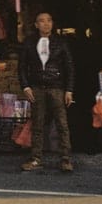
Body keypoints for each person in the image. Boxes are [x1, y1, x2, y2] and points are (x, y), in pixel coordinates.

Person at [18, 12, 75, 173]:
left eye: (49, 20)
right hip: (37, 86)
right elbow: (22, 66)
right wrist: (25, 86)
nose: (46, 24)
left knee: (62, 124)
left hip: (56, 86)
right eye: (42, 21)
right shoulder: (29, 42)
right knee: (37, 124)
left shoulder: (61, 42)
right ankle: (36, 158)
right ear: (36, 25)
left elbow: (69, 67)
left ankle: (65, 158)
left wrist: (69, 89)